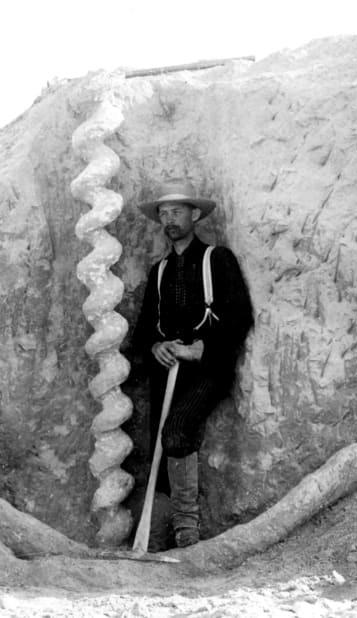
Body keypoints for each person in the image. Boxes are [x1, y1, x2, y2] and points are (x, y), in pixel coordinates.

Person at [131, 179, 254, 548]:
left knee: (178, 430)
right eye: (164, 214)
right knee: (159, 444)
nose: (169, 219)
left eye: (177, 212)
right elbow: (142, 332)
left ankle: (188, 534)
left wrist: (198, 349)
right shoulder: (160, 271)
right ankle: (161, 536)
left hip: (208, 369)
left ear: (195, 215)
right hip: (167, 373)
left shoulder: (218, 259)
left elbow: (239, 318)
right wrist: (157, 347)